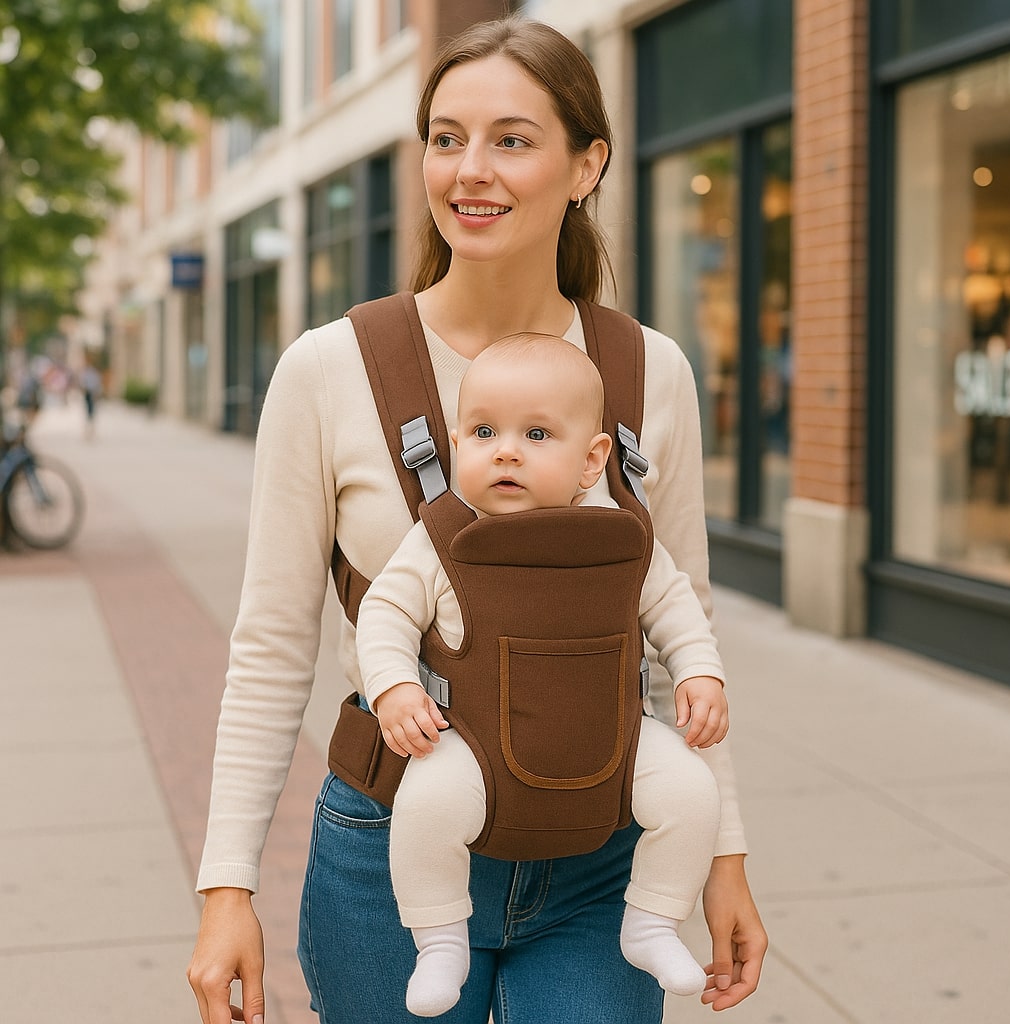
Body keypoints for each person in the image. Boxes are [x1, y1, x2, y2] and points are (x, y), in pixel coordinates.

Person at [188, 17, 767, 1024]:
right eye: (446, 138)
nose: (469, 170)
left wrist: (722, 854)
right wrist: (226, 884)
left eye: (511, 138)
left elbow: (682, 637)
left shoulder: (648, 372)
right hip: (385, 852)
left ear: (587, 164)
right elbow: (272, 645)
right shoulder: (330, 369)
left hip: (603, 860)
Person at [359, 333, 729, 1016]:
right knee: (426, 807)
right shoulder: (443, 537)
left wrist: (699, 673)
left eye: (535, 433)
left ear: (593, 460)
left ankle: (651, 921)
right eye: (483, 431)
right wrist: (394, 686)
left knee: (690, 791)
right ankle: (440, 939)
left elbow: (677, 607)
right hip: (471, 743)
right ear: (455, 443)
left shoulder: (619, 535)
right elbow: (382, 612)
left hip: (612, 743)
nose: (505, 450)